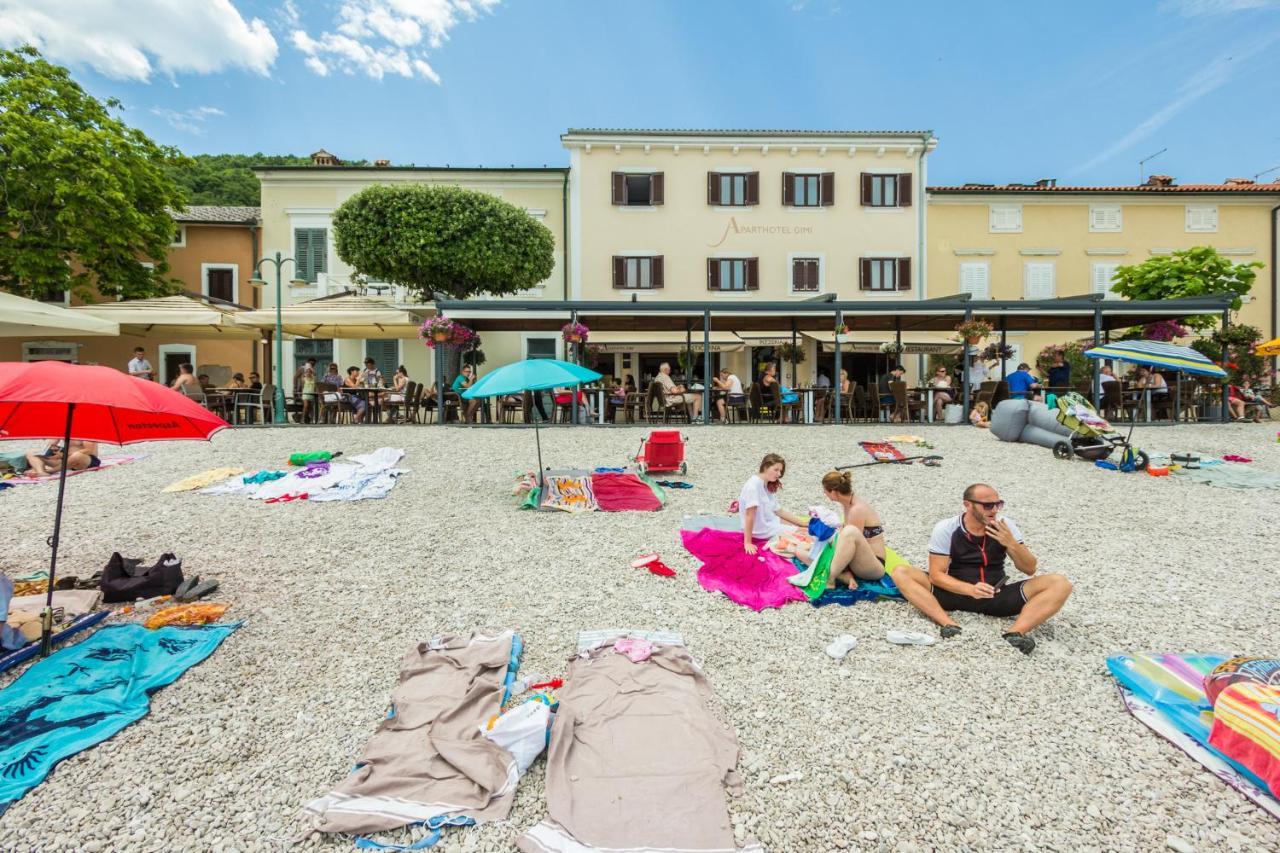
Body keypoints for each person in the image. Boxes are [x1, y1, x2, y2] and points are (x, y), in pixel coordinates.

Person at [890, 484, 1073, 653]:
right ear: (967, 505)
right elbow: (937, 575)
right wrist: (970, 589)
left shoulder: (1004, 526)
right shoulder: (947, 528)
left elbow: (1029, 568)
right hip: (955, 594)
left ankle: (1016, 633)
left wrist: (1011, 544)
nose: (994, 510)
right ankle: (948, 624)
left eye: (998, 504)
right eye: (988, 505)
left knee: (1060, 583)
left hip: (996, 595)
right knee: (901, 572)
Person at [805, 470, 888, 585]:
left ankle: (830, 577)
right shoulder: (848, 504)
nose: (825, 494)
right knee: (808, 550)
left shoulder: (856, 509)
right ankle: (843, 576)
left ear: (833, 492)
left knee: (848, 532)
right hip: (861, 561)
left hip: (873, 565)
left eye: (826, 492)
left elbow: (849, 542)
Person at [739, 454, 808, 554]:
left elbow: (778, 510)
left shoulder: (764, 484)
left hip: (768, 523)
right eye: (776, 470)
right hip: (761, 531)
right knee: (804, 533)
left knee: (800, 526)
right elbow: (750, 515)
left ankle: (798, 526)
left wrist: (801, 523)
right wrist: (748, 542)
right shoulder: (753, 486)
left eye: (780, 471)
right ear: (765, 467)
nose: (779, 474)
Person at [25, 440, 101, 476]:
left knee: (77, 455)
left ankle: (51, 471)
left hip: (86, 460)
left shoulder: (85, 430)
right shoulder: (65, 429)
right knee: (30, 453)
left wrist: (63, 454)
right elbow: (49, 446)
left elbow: (89, 450)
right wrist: (54, 447)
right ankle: (41, 472)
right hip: (66, 460)